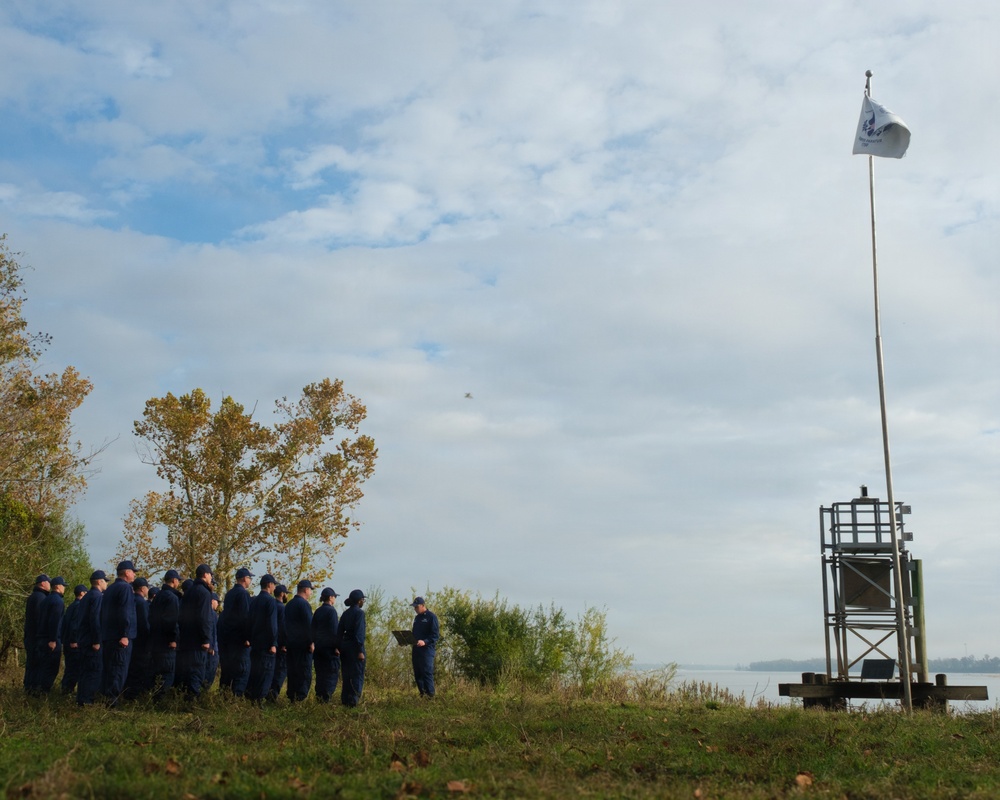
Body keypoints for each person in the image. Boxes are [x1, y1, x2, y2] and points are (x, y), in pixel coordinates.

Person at [99, 560, 138, 706]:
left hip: (108, 636)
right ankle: (111, 703)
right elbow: (125, 612)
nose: (134, 574)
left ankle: (104, 700)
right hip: (119, 638)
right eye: (133, 571)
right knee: (118, 670)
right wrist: (125, 634)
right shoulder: (125, 588)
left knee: (108, 669)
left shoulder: (110, 589)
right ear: (127, 572)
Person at [176, 564, 214, 699]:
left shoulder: (189, 592)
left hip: (186, 639)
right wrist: (206, 639)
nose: (211, 577)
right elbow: (204, 617)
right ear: (205, 574)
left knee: (187, 672)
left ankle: (185, 699)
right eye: (210, 574)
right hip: (197, 641)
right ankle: (193, 703)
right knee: (196, 672)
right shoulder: (203, 593)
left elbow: (181, 616)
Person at [218, 567, 253, 696]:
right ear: (244, 578)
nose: (250, 581)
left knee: (227, 671)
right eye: (249, 578)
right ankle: (236, 699)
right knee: (241, 671)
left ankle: (223, 696)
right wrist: (247, 637)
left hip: (228, 638)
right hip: (239, 640)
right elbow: (245, 616)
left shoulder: (229, 593)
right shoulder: (243, 594)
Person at [76, 570, 108, 706]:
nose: (106, 583)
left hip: (83, 639)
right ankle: (87, 701)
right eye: (105, 581)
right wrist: (96, 640)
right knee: (93, 671)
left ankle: (81, 699)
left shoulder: (86, 597)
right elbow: (95, 619)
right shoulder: (97, 597)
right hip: (91, 641)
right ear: (100, 581)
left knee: (84, 671)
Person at [149, 569, 182, 698]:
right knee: (167, 673)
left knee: (157, 673)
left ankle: (154, 698)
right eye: (178, 580)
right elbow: (171, 620)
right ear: (174, 581)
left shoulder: (158, 597)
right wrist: (172, 638)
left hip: (155, 640)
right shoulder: (172, 598)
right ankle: (162, 702)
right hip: (166, 643)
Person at [247, 575, 278, 702]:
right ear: (269, 584)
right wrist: (273, 643)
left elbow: (249, 621)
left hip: (255, 642)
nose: (274, 587)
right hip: (266, 644)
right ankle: (259, 700)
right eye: (274, 584)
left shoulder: (254, 600)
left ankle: (251, 697)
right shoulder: (270, 601)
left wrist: (249, 638)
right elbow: (272, 624)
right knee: (266, 672)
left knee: (255, 671)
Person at [285, 579, 314, 702]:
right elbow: (309, 625)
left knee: (292, 671)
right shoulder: (304, 604)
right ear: (306, 590)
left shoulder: (290, 604)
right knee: (303, 672)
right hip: (303, 645)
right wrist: (311, 642)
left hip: (290, 644)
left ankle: (292, 697)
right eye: (311, 590)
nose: (311, 592)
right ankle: (300, 699)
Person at [37, 576, 67, 692]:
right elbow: (54, 621)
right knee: (51, 668)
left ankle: (36, 692)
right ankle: (44, 693)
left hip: (41, 638)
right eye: (63, 586)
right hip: (51, 640)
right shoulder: (58, 601)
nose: (64, 588)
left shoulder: (45, 600)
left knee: (42, 667)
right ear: (58, 587)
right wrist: (53, 639)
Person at [338, 589, 367, 707]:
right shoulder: (359, 613)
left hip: (345, 647)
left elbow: (339, 631)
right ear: (359, 601)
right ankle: (353, 701)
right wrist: (360, 650)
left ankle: (345, 700)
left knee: (346, 674)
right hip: (355, 648)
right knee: (357, 674)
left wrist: (339, 647)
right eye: (363, 600)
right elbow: (359, 633)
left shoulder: (345, 613)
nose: (363, 601)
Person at [125, 576, 152, 699]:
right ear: (142, 588)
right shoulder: (142, 603)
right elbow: (145, 623)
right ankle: (134, 696)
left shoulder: (130, 600)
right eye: (147, 587)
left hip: (131, 640)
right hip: (141, 642)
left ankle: (126, 692)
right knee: (139, 669)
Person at [23, 573, 50, 694]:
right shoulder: (40, 598)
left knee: (31, 664)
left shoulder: (33, 596)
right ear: (43, 583)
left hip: (30, 636)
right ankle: (33, 690)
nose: (51, 585)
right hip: (36, 638)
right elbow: (40, 619)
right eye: (49, 582)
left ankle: (28, 687)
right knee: (36, 664)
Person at [312, 588, 340, 702]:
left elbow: (312, 629)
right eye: (334, 597)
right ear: (330, 597)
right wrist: (337, 647)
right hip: (329, 649)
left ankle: (319, 697)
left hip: (318, 649)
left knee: (320, 675)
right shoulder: (331, 611)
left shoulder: (318, 611)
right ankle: (326, 699)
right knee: (330, 674)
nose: (335, 599)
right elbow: (334, 631)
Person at [410, 596, 440, 698]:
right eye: (414, 607)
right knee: (418, 672)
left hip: (427, 650)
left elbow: (435, 635)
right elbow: (415, 634)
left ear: (423, 605)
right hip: (416, 649)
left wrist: (425, 642)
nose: (415, 609)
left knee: (426, 672)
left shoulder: (431, 617)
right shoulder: (417, 618)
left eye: (417, 607)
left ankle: (430, 695)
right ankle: (422, 694)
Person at [60, 584, 88, 694]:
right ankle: (67, 691)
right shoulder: (79, 606)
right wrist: (74, 640)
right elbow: (74, 625)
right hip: (73, 644)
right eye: (85, 593)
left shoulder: (71, 606)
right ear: (81, 593)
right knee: (73, 669)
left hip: (67, 642)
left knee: (70, 668)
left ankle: (65, 690)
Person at [268, 584, 289, 702]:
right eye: (286, 593)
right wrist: (285, 644)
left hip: (270, 644)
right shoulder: (282, 608)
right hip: (280, 645)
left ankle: (267, 692)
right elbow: (283, 627)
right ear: (282, 594)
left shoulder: (270, 605)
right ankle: (272, 696)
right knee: (280, 671)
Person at [203, 591, 220, 688]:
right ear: (212, 601)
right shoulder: (212, 613)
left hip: (210, 648)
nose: (218, 604)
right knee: (209, 674)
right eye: (217, 601)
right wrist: (212, 647)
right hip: (212, 650)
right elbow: (212, 630)